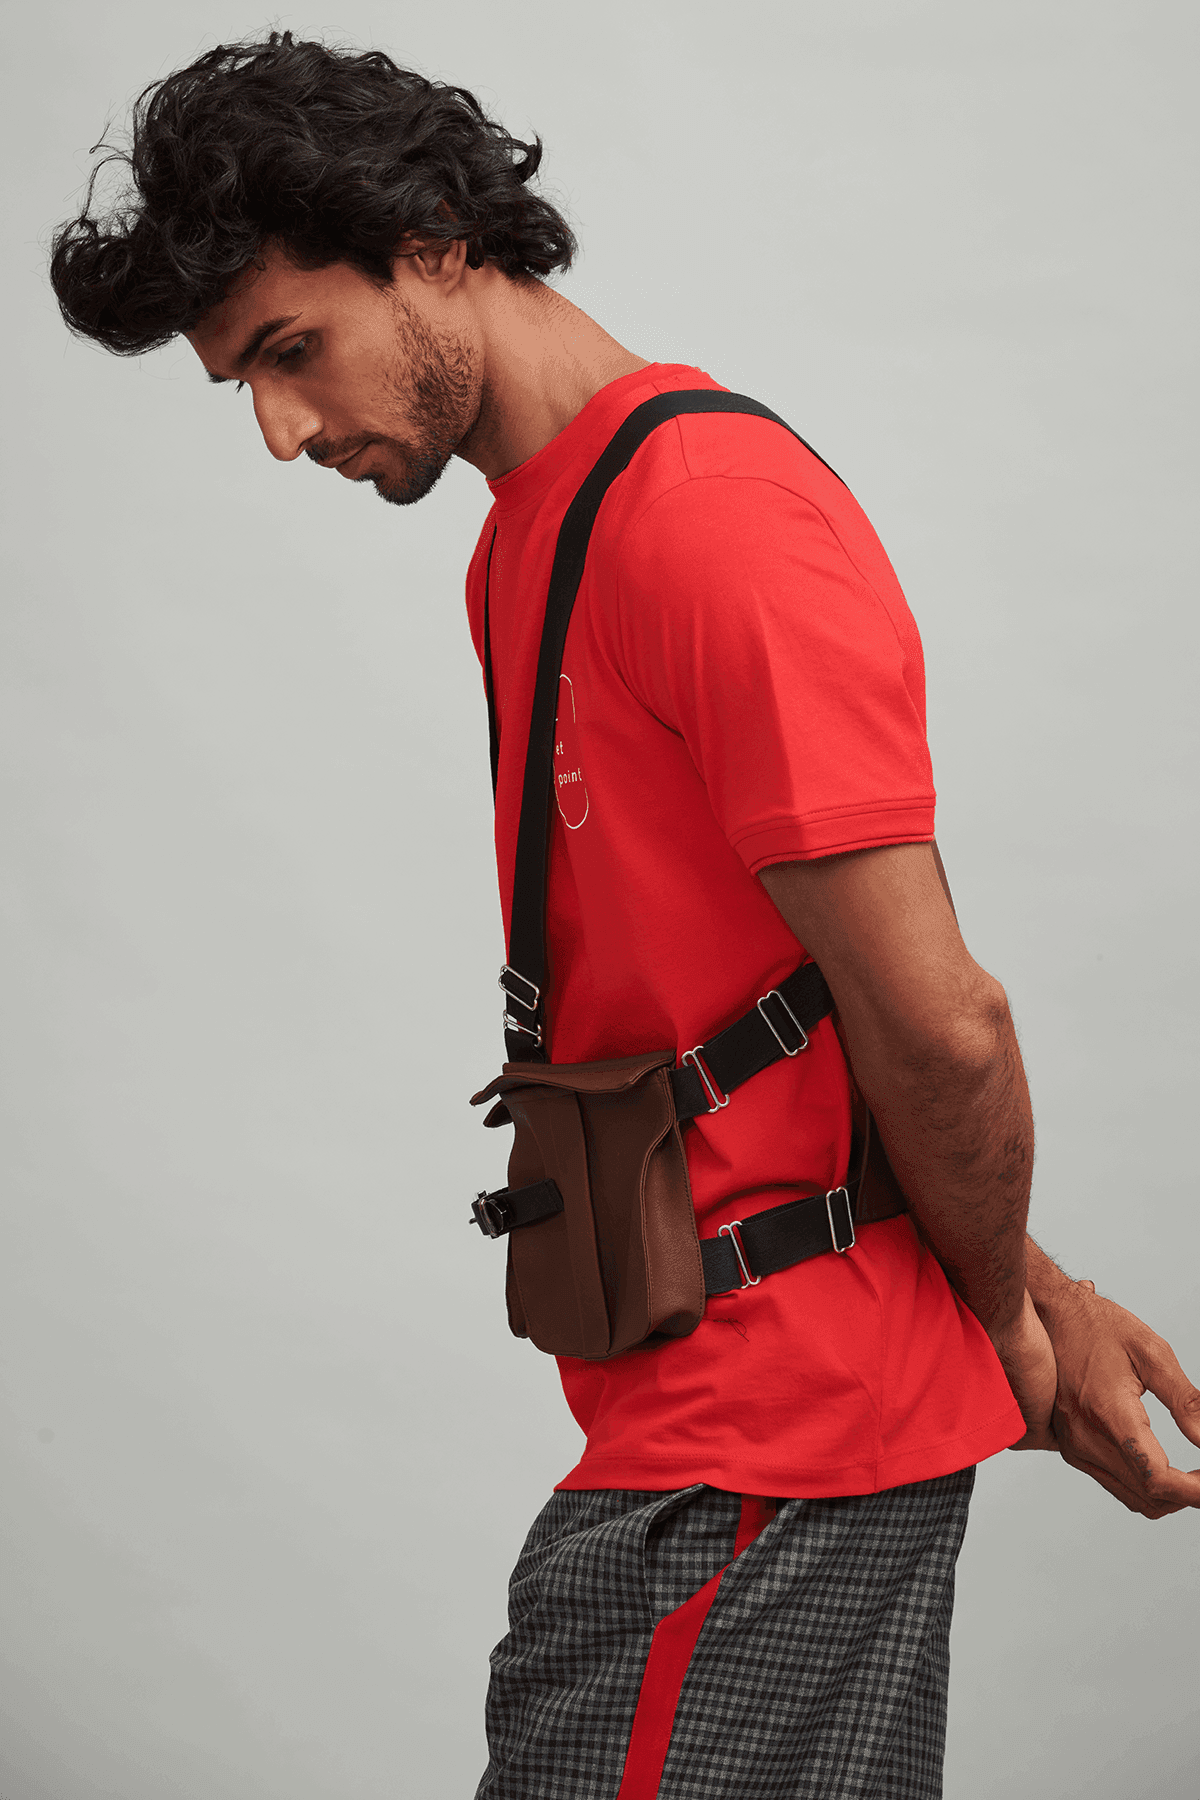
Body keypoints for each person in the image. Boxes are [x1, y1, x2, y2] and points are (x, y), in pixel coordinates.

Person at [49, 32, 1200, 1800]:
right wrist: (1039, 1289)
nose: (280, 432)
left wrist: (1006, 1326)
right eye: (241, 389)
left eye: (289, 350)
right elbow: (793, 995)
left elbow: (938, 1017)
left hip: (762, 1471)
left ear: (435, 241)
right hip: (719, 1441)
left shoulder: (710, 525)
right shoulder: (530, 537)